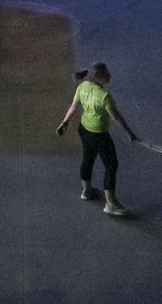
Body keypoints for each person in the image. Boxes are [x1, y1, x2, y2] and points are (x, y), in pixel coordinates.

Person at [56, 62, 140, 217]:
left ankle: (87, 191)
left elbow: (73, 106)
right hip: (99, 135)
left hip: (84, 130)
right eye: (107, 73)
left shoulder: (83, 86)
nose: (110, 75)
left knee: (88, 159)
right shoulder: (104, 96)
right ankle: (111, 204)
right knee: (111, 165)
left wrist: (64, 123)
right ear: (99, 77)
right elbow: (116, 117)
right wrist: (130, 133)